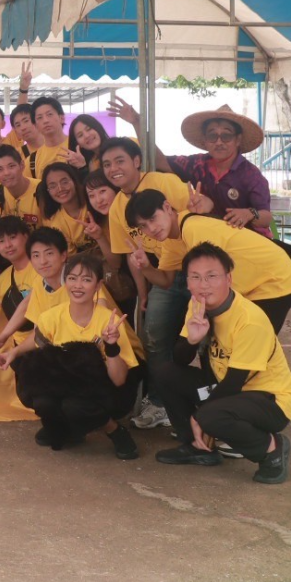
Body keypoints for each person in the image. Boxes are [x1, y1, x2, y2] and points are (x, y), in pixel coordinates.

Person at [153, 244, 291, 484]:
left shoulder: (250, 320)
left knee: (210, 415)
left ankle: (272, 449)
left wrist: (199, 417)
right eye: (195, 277)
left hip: (268, 401)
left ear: (228, 279)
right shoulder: (197, 306)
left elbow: (235, 382)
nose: (203, 285)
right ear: (187, 282)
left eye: (211, 276)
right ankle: (198, 447)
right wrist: (192, 340)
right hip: (225, 388)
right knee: (165, 373)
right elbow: (179, 360)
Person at [0, 253, 141, 459]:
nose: (78, 285)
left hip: (101, 388)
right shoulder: (50, 317)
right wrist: (12, 353)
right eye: (72, 278)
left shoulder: (109, 322)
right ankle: (64, 427)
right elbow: (37, 343)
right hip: (68, 382)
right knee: (41, 397)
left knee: (76, 407)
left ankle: (113, 429)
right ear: (65, 282)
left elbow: (119, 379)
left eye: (86, 280)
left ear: (98, 285)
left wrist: (111, 345)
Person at [101, 136, 205, 430]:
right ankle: (161, 403)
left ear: (136, 161)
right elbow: (133, 254)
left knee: (209, 341)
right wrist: (143, 292)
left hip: (202, 271)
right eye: (107, 164)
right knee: (154, 335)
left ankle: (212, 405)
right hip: (166, 271)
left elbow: (200, 212)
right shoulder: (117, 208)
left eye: (120, 160)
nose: (113, 169)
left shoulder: (165, 183)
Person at [126, 189, 291, 332]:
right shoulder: (171, 242)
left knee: (252, 345)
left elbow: (213, 284)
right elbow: (166, 280)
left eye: (152, 218)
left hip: (274, 280)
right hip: (254, 285)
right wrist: (145, 267)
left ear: (167, 207)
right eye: (143, 226)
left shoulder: (192, 227)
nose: (151, 228)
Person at [114, 99, 272, 237]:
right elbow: (158, 160)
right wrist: (137, 122)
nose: (219, 142)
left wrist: (249, 214)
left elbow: (266, 217)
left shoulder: (251, 175)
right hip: (212, 243)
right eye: (212, 136)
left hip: (249, 244)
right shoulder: (196, 164)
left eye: (226, 136)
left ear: (238, 140)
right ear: (205, 141)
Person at [0, 145, 40, 228]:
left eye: (11, 166)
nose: (6, 173)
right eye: (0, 169)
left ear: (22, 165)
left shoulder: (41, 189)